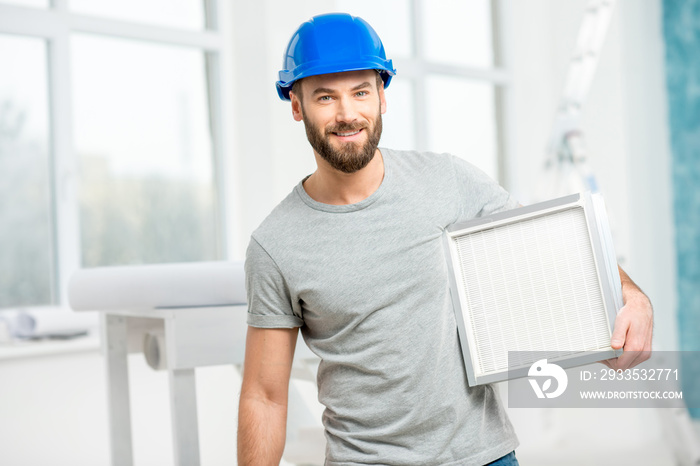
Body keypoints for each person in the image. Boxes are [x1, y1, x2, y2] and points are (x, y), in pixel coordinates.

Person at [237, 12, 653, 466]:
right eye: (325, 97)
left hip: (484, 456)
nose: (347, 113)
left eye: (361, 92)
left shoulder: (446, 181)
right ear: (296, 105)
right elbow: (264, 395)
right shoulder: (275, 245)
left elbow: (553, 244)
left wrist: (628, 296)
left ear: (382, 96)